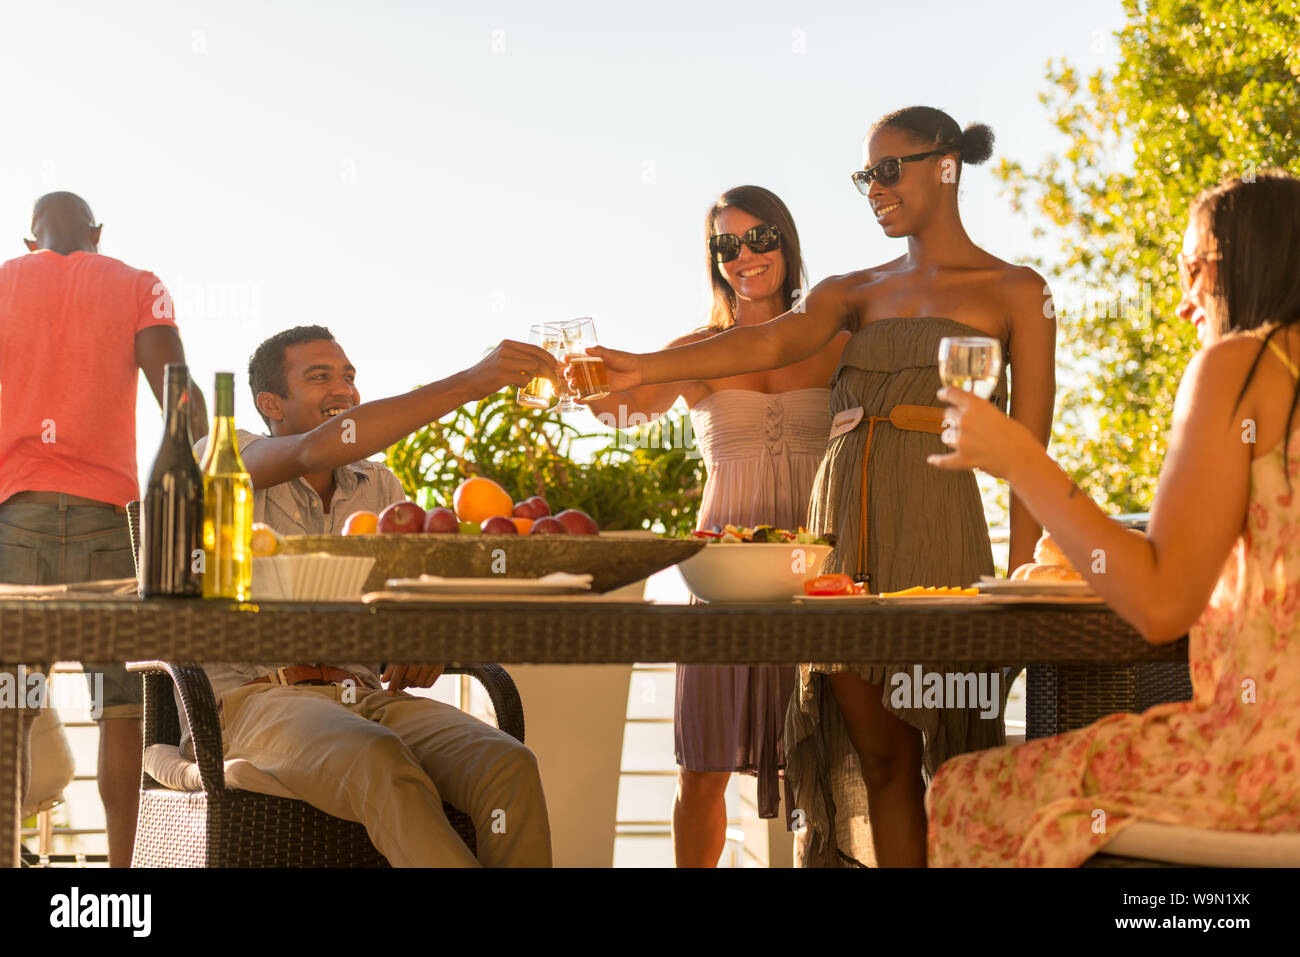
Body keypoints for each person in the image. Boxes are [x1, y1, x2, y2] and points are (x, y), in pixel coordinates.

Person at [582, 107, 1057, 866]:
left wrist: (1024, 580)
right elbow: (767, 338)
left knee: (958, 758)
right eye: (865, 175)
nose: (874, 188)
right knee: (878, 760)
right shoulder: (852, 290)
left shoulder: (1017, 291)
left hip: (936, 528)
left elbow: (1029, 452)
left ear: (946, 165)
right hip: (832, 544)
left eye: (888, 169)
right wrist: (640, 366)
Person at [925, 169, 1300, 866]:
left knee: (965, 788)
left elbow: (1161, 603)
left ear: (1248, 259)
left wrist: (1021, 460)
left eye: (1194, 268)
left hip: (1268, 760)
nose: (1184, 302)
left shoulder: (1243, 366)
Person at [189, 324, 558, 866]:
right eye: (319, 377)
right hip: (253, 702)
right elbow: (316, 447)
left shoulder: (379, 486)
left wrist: (423, 634)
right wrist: (472, 382)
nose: (343, 389)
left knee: (507, 763)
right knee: (377, 756)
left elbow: (401, 596)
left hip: (362, 696)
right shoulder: (223, 456)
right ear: (272, 404)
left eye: (349, 376)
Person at [584, 185, 847, 867]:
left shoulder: (836, 339)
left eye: (760, 237)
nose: (746, 255)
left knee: (819, 754)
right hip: (722, 570)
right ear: (714, 259)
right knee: (702, 764)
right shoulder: (696, 347)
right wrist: (580, 381)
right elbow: (624, 414)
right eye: (727, 244)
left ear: (787, 243)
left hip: (816, 567)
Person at [0, 191, 208, 867]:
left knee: (12, 705)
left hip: (16, 523)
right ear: (96, 233)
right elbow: (185, 406)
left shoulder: (5, 281)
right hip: (108, 529)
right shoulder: (135, 284)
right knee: (120, 707)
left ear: (31, 243)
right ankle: (122, 876)